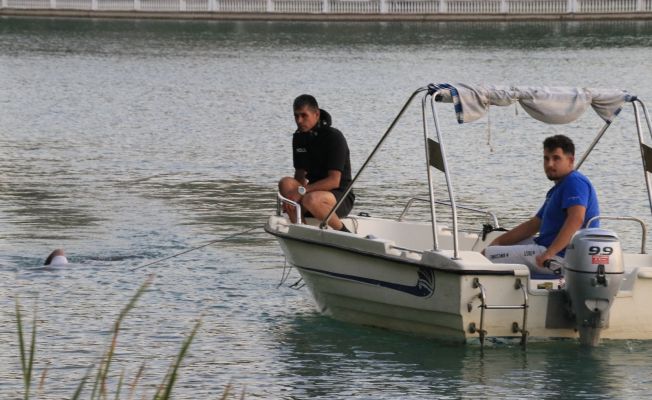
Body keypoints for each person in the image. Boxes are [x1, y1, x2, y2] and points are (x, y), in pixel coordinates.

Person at [483, 135, 599, 276]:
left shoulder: (574, 182)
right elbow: (533, 225)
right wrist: (498, 242)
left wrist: (549, 253)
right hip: (543, 247)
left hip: (561, 257)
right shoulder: (556, 189)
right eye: (546, 158)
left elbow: (576, 219)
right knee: (493, 249)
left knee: (486, 257)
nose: (549, 164)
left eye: (556, 158)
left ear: (570, 161)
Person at [278, 94, 355, 232]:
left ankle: (345, 232)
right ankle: (302, 229)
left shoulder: (334, 137)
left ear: (316, 114)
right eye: (296, 116)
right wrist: (291, 199)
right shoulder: (299, 138)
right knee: (285, 183)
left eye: (304, 115)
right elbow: (300, 176)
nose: (299, 120)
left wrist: (302, 191)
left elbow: (334, 181)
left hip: (340, 196)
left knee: (311, 199)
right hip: (312, 193)